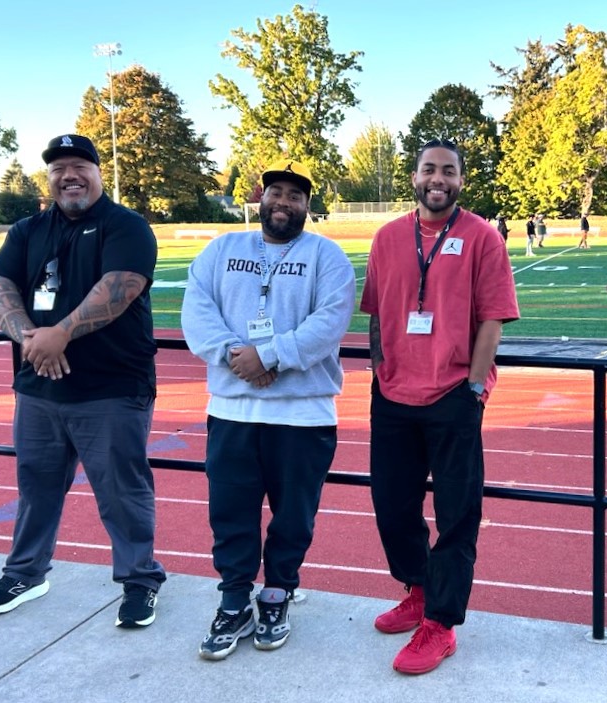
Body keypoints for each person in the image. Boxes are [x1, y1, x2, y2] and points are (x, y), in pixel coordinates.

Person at [0, 134, 166, 627]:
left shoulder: (126, 226)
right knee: (36, 486)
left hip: (110, 387)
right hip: (39, 388)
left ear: (98, 172)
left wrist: (59, 333)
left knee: (121, 491)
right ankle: (26, 572)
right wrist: (33, 340)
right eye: (59, 168)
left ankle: (140, 580)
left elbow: (117, 289)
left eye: (79, 165)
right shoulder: (27, 229)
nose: (69, 176)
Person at [181, 161, 355, 659]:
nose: (283, 202)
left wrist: (270, 355)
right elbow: (197, 311)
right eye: (276, 192)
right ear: (261, 197)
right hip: (233, 410)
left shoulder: (327, 256)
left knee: (293, 516)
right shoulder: (222, 250)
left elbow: (330, 322)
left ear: (306, 205)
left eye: (295, 196)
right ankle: (234, 600)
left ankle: (277, 592)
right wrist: (238, 357)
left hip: (303, 415)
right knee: (229, 514)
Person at [361, 139, 519, 675]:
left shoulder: (481, 237)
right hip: (393, 395)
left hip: (454, 396)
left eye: (448, 171)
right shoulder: (386, 238)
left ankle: (442, 624)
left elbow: (493, 318)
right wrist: (381, 370)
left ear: (460, 181)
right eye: (429, 169)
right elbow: (377, 314)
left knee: (456, 516)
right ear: (414, 177)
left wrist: (474, 388)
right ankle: (419, 590)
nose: (438, 179)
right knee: (391, 504)